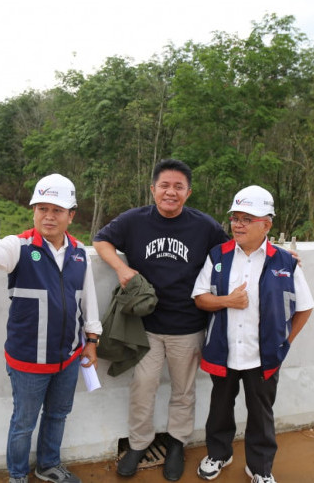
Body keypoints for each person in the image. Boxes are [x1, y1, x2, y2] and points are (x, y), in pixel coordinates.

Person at [0, 174, 102, 483]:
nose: (48, 216)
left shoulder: (80, 253)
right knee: (23, 422)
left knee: (58, 414)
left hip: (68, 358)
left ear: (70, 215)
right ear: (34, 211)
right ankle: (18, 476)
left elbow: (87, 299)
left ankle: (48, 465)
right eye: (42, 209)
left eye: (57, 210)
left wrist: (91, 339)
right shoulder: (19, 247)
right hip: (28, 361)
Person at [93, 159, 229, 481]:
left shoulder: (204, 226)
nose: (171, 192)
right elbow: (101, 240)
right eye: (164, 186)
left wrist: (276, 253)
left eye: (178, 187)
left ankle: (177, 443)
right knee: (143, 387)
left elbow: (233, 250)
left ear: (188, 192)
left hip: (188, 326)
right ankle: (140, 443)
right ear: (153, 189)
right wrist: (121, 268)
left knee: (183, 391)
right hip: (146, 328)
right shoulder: (134, 221)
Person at [192, 185, 314, 483]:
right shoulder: (218, 255)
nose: (238, 224)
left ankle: (260, 468)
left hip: (264, 357)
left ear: (267, 224)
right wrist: (227, 301)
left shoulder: (285, 262)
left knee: (261, 415)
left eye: (247, 218)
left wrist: (285, 343)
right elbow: (199, 297)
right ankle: (219, 454)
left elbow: (305, 307)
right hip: (224, 351)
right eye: (235, 218)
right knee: (219, 409)